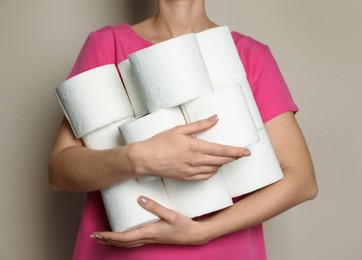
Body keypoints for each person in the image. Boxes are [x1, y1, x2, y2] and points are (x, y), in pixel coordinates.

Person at [48, 0, 317, 259]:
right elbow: (60, 172)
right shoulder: (107, 44)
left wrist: (203, 231)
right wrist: (141, 158)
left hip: (224, 252)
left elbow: (301, 181)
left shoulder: (247, 54)